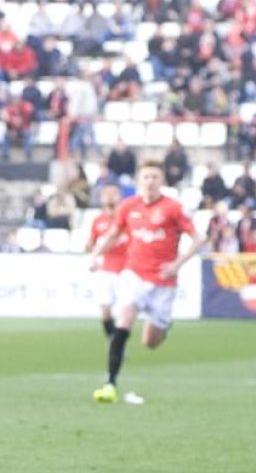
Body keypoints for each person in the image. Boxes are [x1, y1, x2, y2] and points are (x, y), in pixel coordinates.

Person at [89, 161, 208, 405]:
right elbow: (113, 233)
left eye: (155, 177)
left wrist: (177, 263)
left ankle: (162, 325)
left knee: (150, 342)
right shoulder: (128, 206)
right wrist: (96, 255)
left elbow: (198, 239)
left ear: (161, 181)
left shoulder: (173, 208)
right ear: (138, 180)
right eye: (146, 177)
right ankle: (110, 384)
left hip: (163, 282)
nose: (150, 181)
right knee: (123, 321)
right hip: (134, 274)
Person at [85, 183, 127, 340]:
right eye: (106, 193)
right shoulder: (98, 220)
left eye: (114, 193)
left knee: (123, 310)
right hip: (106, 269)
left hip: (125, 270)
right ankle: (113, 340)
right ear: (101, 198)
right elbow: (90, 244)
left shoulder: (125, 218)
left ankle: (119, 342)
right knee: (105, 309)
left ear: (120, 196)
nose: (110, 196)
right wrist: (92, 253)